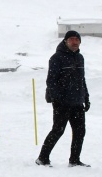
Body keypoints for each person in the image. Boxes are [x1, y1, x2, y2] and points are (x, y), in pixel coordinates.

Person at [38, 29, 90, 166]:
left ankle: (74, 160)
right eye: (72, 39)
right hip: (62, 102)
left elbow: (82, 80)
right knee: (58, 130)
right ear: (66, 41)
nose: (75, 42)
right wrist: (57, 99)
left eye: (77, 40)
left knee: (80, 132)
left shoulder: (80, 58)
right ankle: (42, 158)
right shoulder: (56, 58)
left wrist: (86, 97)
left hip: (77, 102)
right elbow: (51, 81)